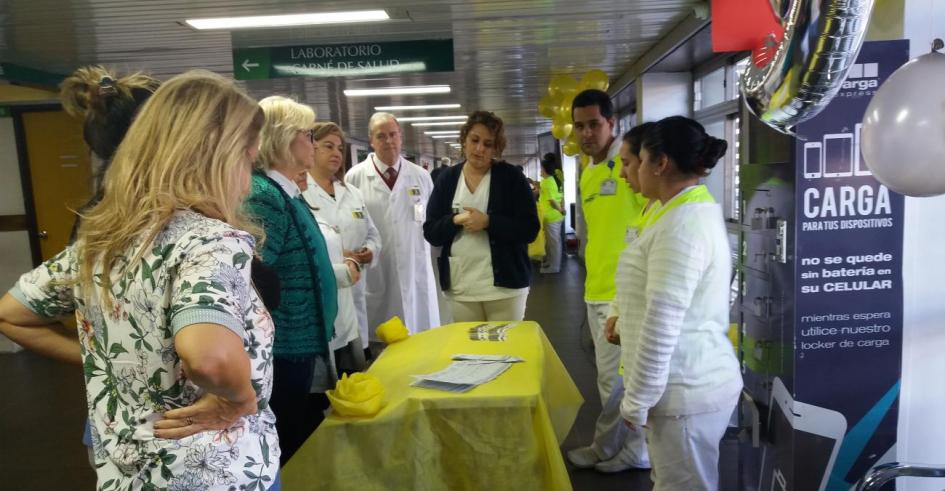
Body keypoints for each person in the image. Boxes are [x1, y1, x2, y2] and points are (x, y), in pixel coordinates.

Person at [0, 70, 281, 489]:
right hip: (216, 471)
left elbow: (11, 315)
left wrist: (108, 360)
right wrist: (238, 400)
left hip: (126, 472)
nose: (246, 184)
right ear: (214, 158)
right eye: (246, 159)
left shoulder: (102, 241)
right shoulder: (210, 242)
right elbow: (209, 356)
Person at [609, 116, 741, 490]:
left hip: (686, 390)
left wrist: (637, 401)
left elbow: (662, 322)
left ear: (660, 162)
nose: (623, 175)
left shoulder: (682, 225)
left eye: (632, 162)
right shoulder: (672, 212)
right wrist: (622, 319)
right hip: (679, 388)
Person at [245, 96, 338, 466]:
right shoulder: (265, 196)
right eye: (308, 134)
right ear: (283, 138)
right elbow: (253, 278)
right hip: (282, 346)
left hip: (299, 340)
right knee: (288, 438)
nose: (313, 143)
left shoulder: (286, 192)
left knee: (300, 428)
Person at [566, 89, 650, 473]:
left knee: (623, 381)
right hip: (596, 288)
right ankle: (616, 445)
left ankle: (627, 449)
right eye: (580, 126)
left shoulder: (631, 165)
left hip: (627, 295)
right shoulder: (590, 172)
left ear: (611, 123)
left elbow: (652, 220)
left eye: (594, 124)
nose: (586, 133)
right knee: (609, 381)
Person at [423, 111, 539, 322]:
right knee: (469, 352)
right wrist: (454, 220)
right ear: (464, 141)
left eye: (488, 144)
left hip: (505, 288)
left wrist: (489, 222)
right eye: (474, 140)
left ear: (496, 148)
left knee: (505, 350)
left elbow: (530, 229)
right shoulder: (447, 179)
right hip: (461, 287)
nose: (479, 149)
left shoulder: (511, 178)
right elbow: (431, 231)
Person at [345, 112, 440, 334]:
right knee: (382, 345)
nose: (388, 141)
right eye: (381, 136)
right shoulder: (355, 178)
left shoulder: (420, 176)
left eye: (393, 135)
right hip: (377, 271)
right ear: (371, 141)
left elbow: (430, 221)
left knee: (421, 338)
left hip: (416, 269)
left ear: (401, 137)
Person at [300, 122, 379, 371]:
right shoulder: (301, 193)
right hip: (325, 292)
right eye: (328, 146)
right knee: (329, 372)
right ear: (311, 149)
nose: (336, 153)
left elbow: (373, 233)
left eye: (340, 148)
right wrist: (338, 255)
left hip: (355, 291)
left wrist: (370, 250)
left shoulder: (351, 192)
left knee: (356, 365)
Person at [538, 153, 565, 274]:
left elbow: (551, 200)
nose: (540, 171)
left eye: (541, 169)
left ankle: (555, 267)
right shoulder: (558, 176)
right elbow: (561, 195)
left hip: (552, 216)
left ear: (545, 169)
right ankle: (551, 262)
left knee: (554, 243)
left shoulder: (546, 182)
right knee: (552, 242)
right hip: (556, 216)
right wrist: (562, 209)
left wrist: (560, 209)